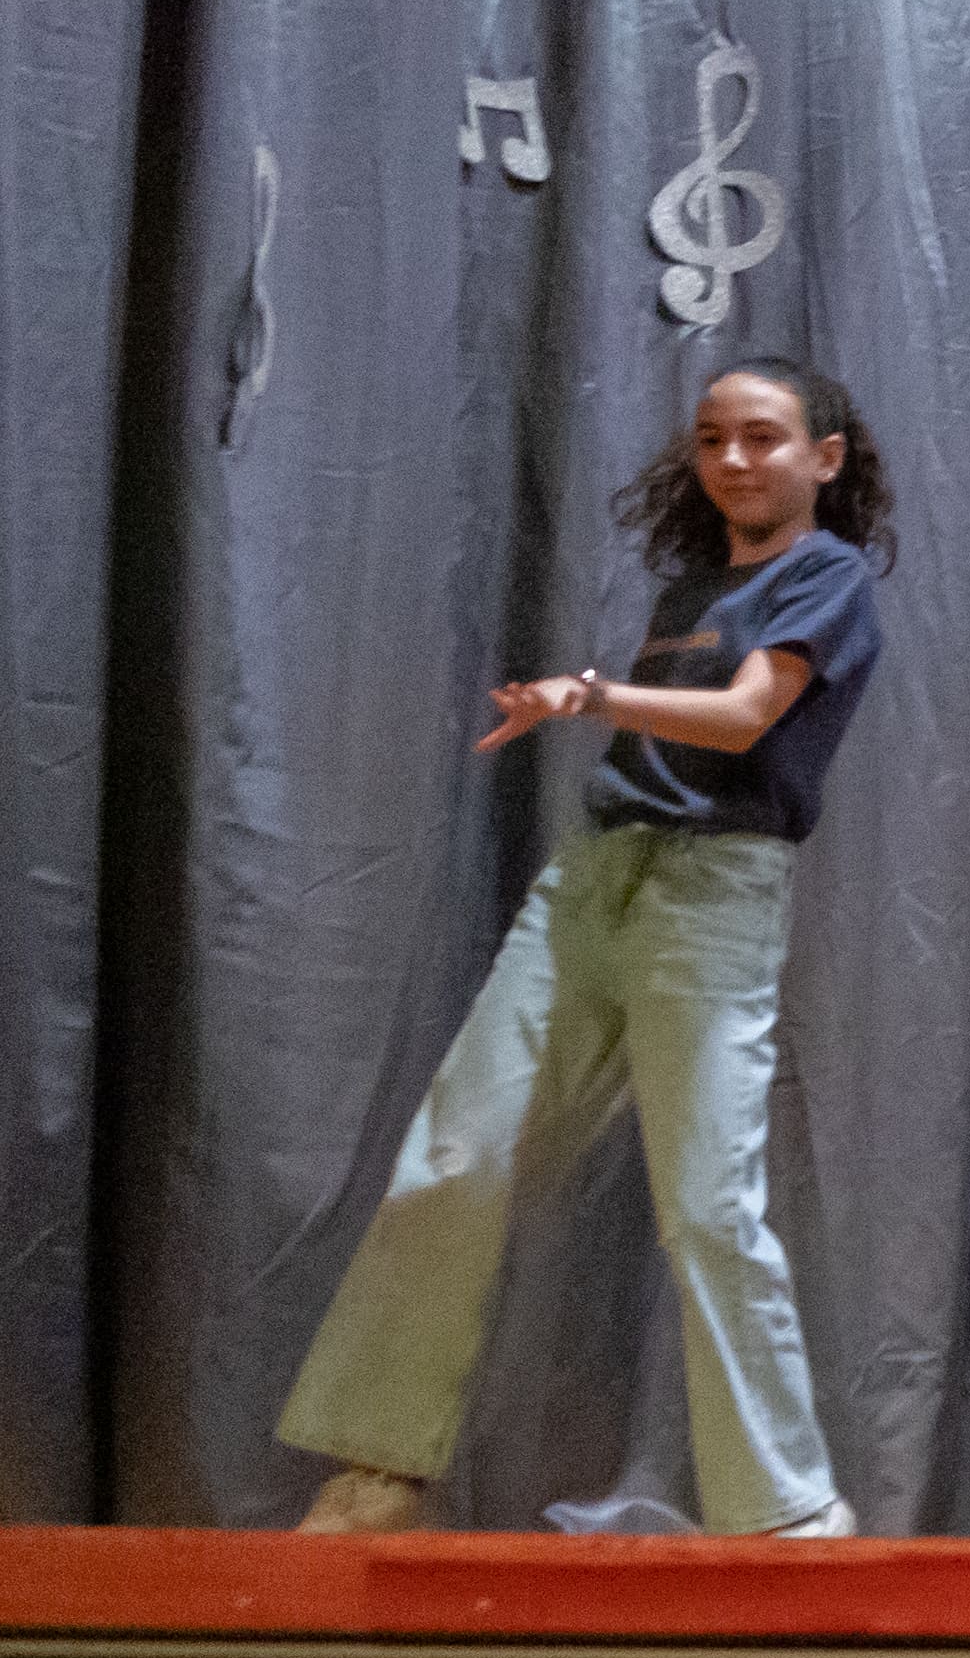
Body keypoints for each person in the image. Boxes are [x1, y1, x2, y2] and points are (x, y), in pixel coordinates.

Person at [279, 357, 895, 1538]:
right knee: (457, 1156)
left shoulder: (829, 576)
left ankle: (787, 1516)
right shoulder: (692, 590)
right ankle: (379, 1472)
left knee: (709, 1210)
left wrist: (591, 697)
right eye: (711, 438)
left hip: (712, 892)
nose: (731, 459)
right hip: (593, 879)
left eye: (762, 437)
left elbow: (748, 715)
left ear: (825, 457)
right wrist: (597, 708)